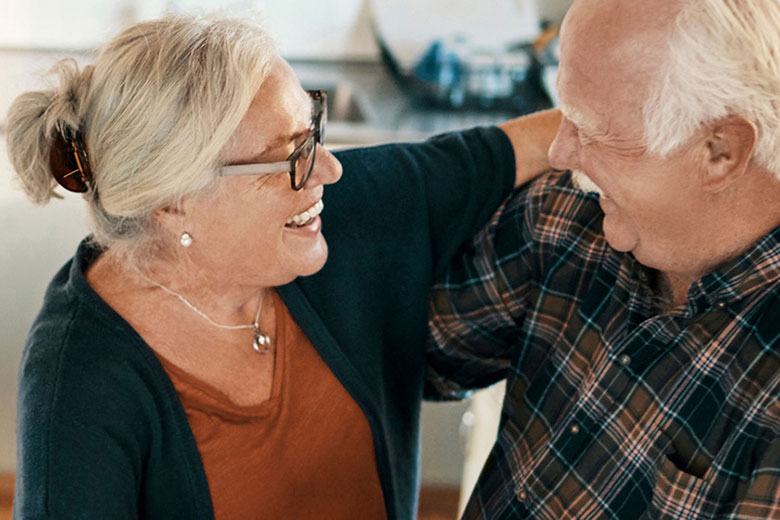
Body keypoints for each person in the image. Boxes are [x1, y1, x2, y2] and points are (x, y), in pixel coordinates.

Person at [7, 13, 560, 520]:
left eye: (311, 131)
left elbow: (527, 144)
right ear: (173, 198)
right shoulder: (78, 382)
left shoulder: (344, 214)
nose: (331, 170)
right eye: (290, 154)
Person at [428, 0, 780, 518]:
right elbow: (404, 352)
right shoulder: (571, 215)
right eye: (563, 115)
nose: (559, 154)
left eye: (592, 129)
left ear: (719, 151)